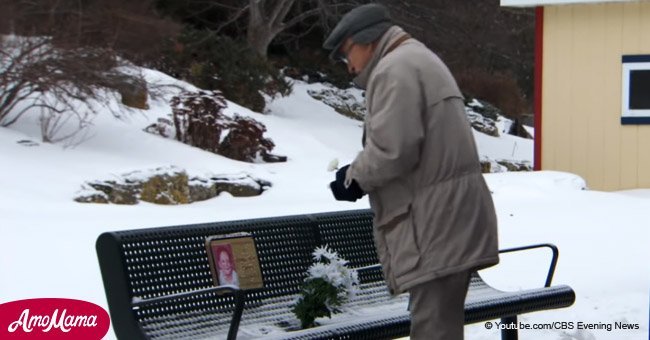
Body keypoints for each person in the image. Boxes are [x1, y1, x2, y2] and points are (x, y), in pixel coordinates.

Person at [324, 4, 499, 339]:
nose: (347, 66)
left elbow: (394, 150)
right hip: (448, 217)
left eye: (346, 54)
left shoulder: (395, 69)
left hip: (435, 224)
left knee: (434, 330)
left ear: (368, 41)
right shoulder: (417, 58)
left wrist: (353, 178)